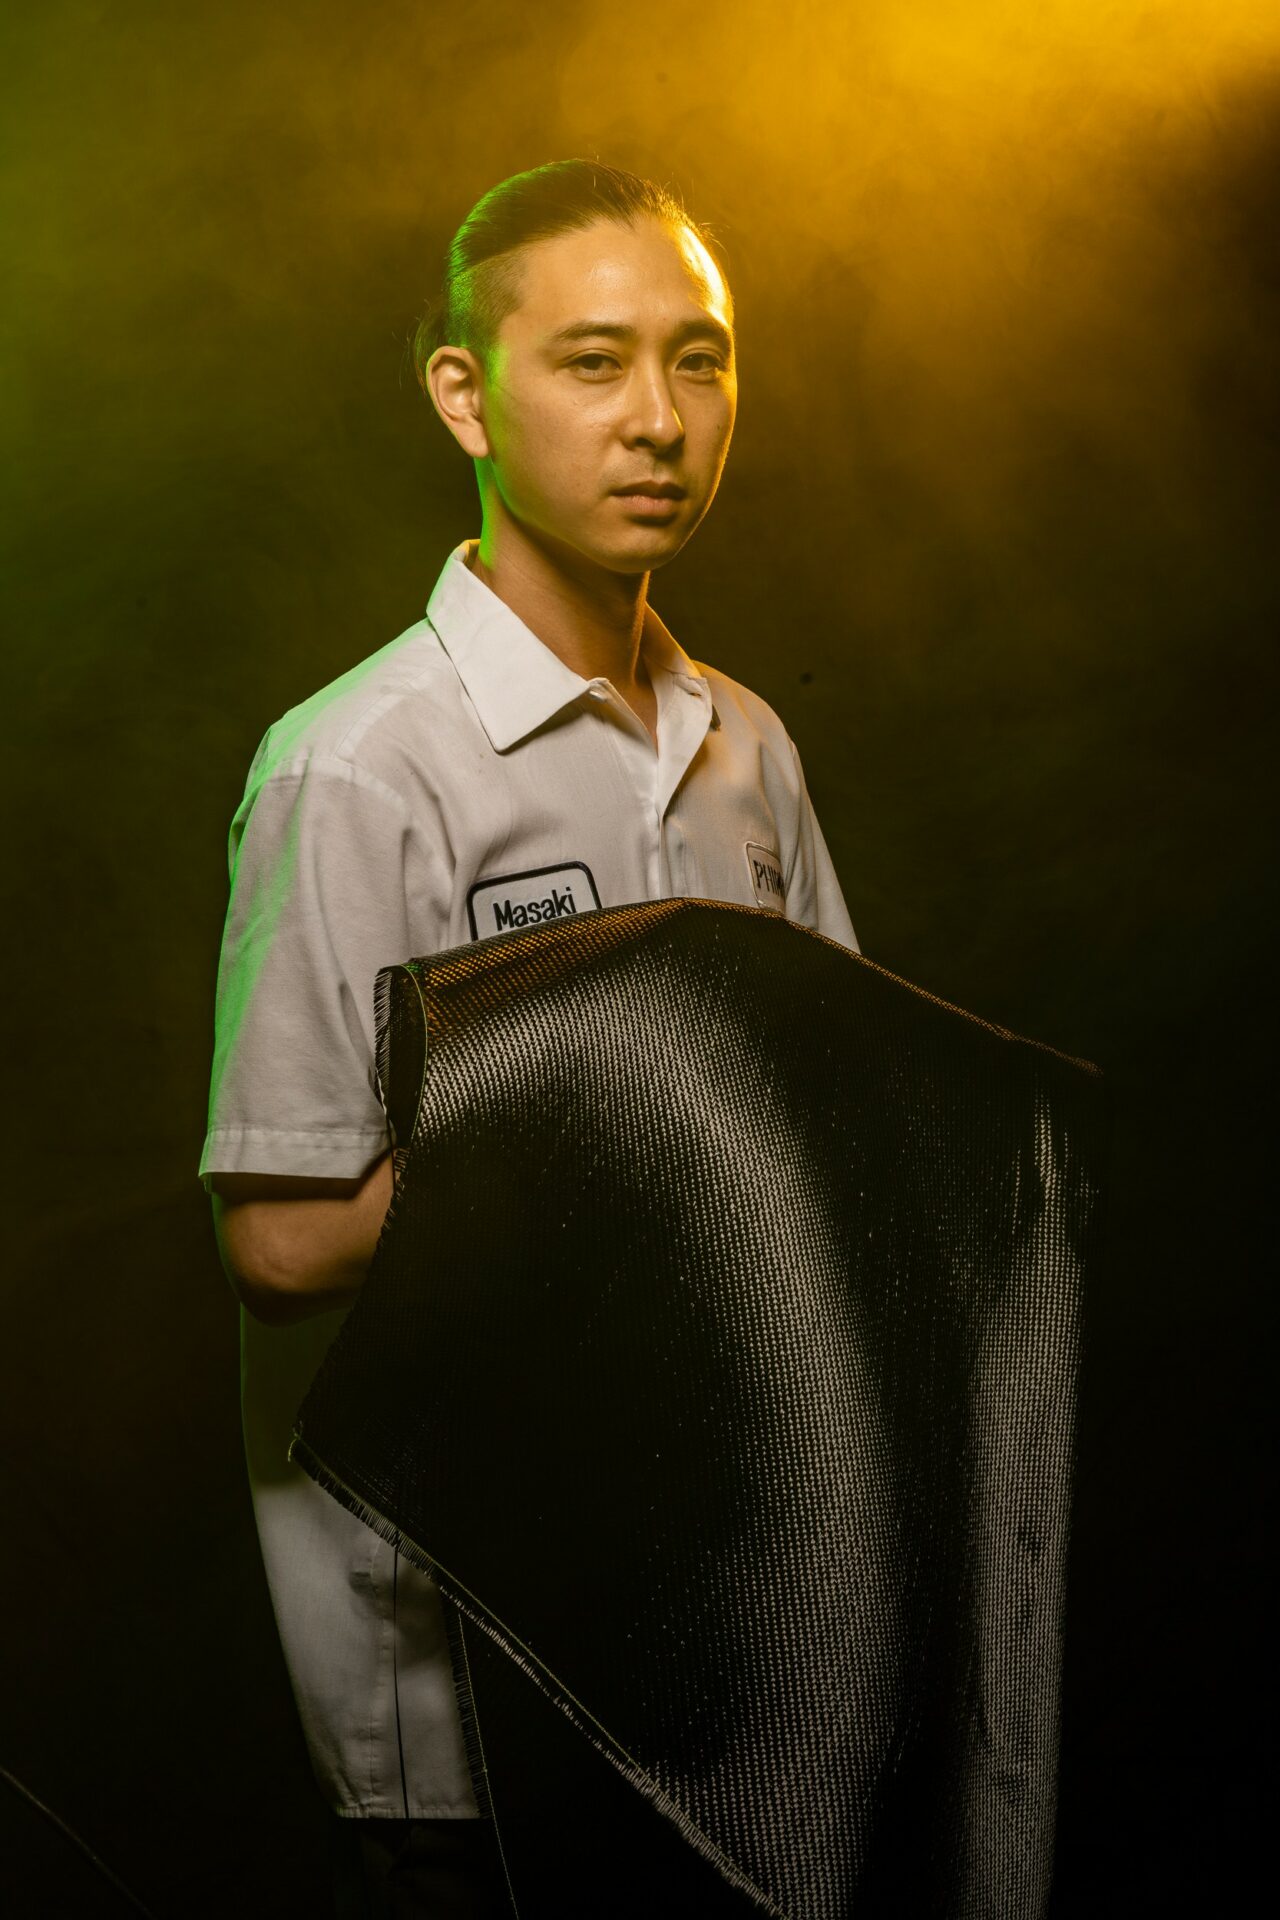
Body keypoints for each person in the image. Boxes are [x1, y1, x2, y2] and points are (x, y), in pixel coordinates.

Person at [201, 159, 859, 1917]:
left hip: (715, 1658)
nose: (660, 419)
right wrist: (614, 1154)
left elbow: (833, 1133)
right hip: (465, 1694)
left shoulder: (749, 749)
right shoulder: (361, 766)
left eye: (700, 360)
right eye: (591, 361)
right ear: (464, 394)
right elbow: (279, 1241)